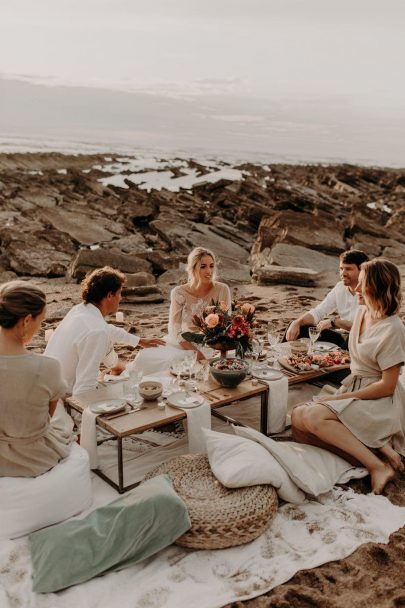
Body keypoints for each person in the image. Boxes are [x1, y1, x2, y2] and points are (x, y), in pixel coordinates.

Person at [291, 258, 405, 494]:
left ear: (376, 286)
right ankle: (374, 447)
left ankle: (377, 466)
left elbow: (387, 386)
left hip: (378, 399)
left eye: (361, 283)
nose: (355, 289)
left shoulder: (394, 329)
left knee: (314, 418)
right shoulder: (363, 312)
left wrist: (337, 400)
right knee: (297, 419)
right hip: (355, 386)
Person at [45, 266, 164, 395]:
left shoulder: (80, 310)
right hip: (63, 395)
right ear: (109, 295)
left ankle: (116, 368)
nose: (121, 298)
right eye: (119, 293)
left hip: (49, 382)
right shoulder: (96, 332)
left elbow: (108, 329)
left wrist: (139, 340)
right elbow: (84, 390)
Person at [0, 281, 73, 477]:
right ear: (26, 321)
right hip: (34, 459)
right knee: (63, 421)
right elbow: (45, 420)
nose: (40, 328)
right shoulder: (49, 367)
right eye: (40, 321)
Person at [131, 247, 231, 374]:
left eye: (211, 266)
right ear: (193, 268)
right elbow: (175, 330)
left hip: (210, 343)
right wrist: (196, 353)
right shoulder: (179, 292)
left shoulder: (222, 289)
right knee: (146, 357)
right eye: (203, 266)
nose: (209, 271)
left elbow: (227, 325)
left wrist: (218, 346)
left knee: (180, 364)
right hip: (183, 342)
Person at [286, 249, 369, 347]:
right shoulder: (340, 287)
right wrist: (297, 322)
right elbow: (318, 312)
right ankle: (281, 358)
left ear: (362, 270)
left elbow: (364, 327)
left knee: (351, 336)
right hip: (341, 337)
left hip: (360, 340)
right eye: (341, 269)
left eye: (348, 269)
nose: (343, 273)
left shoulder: (371, 292)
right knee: (300, 327)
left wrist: (334, 322)